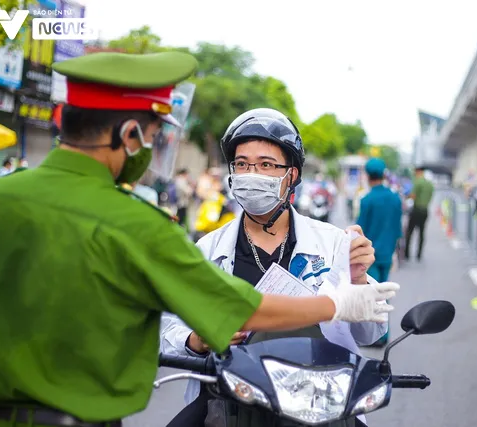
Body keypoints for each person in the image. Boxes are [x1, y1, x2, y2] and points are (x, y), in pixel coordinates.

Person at [0, 53, 398, 427]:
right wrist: (337, 304)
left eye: (267, 165)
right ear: (129, 134)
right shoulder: (140, 225)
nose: (253, 175)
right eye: (155, 137)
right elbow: (231, 309)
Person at [161, 108, 399, 427]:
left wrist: (356, 280)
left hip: (319, 398)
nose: (251, 174)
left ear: (293, 175)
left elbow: (371, 332)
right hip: (230, 398)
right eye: (242, 164)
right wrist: (195, 340)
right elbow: (167, 325)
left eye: (266, 165)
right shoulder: (207, 250)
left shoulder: (332, 243)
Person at [356, 158, 403, 347]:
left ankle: (375, 337)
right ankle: (383, 335)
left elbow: (359, 230)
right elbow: (398, 229)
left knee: (372, 294)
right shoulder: (395, 198)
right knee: (384, 293)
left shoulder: (367, 200)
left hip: (369, 256)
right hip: (387, 252)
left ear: (368, 176)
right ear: (384, 175)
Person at [404, 165, 434, 261]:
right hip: (425, 210)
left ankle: (407, 254)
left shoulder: (418, 182)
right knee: (421, 232)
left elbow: (412, 196)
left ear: (418, 172)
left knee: (410, 232)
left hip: (416, 210)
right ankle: (419, 255)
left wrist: (406, 197)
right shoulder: (430, 184)